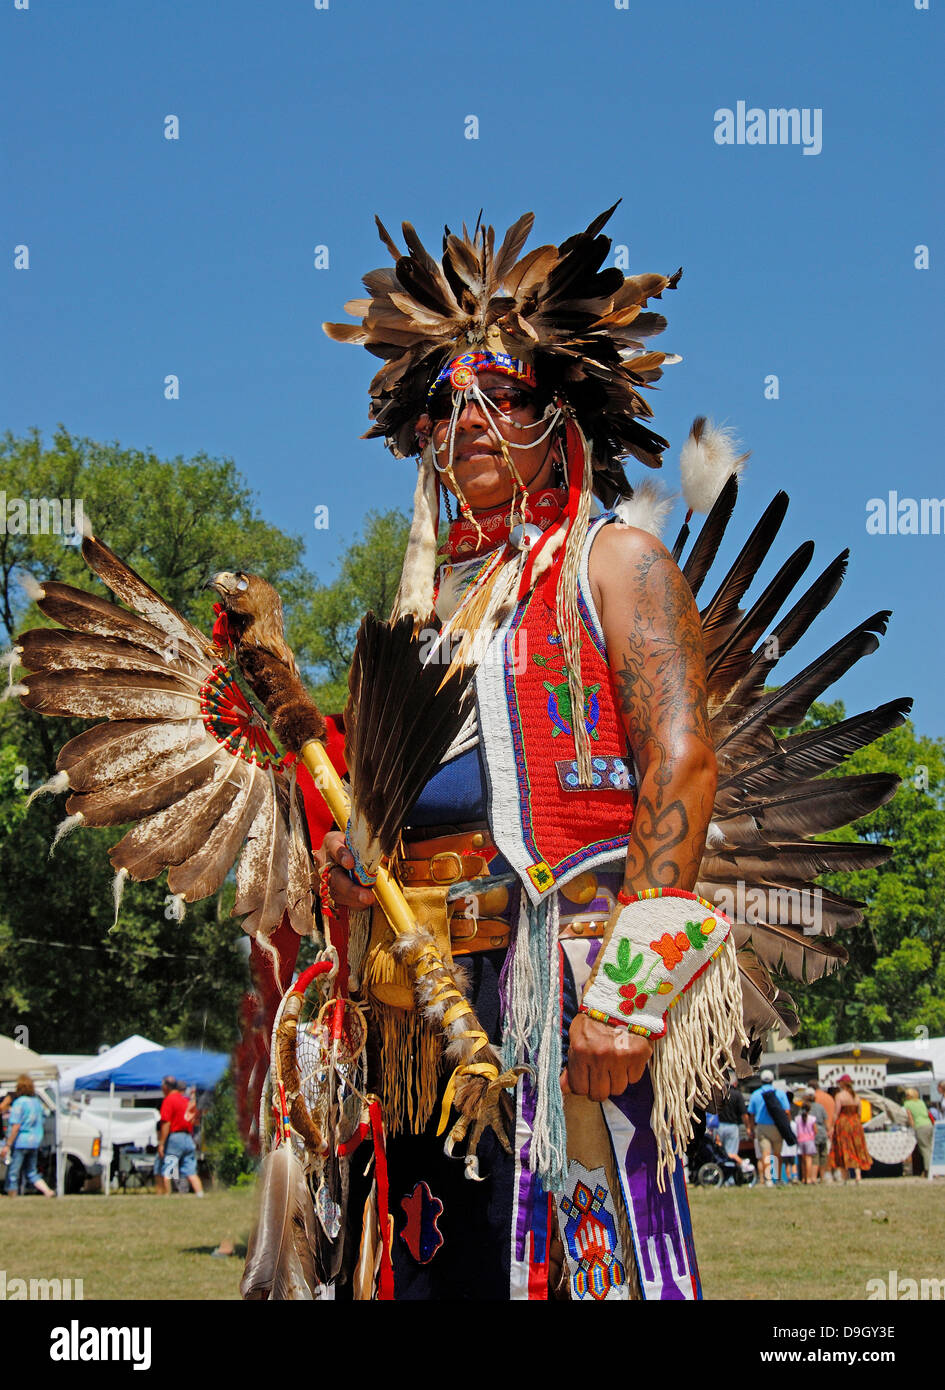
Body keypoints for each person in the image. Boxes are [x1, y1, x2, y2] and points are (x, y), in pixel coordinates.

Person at [299, 203, 905, 1301]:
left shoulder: (614, 564)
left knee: (576, 1264)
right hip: (424, 1004)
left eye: (504, 394)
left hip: (560, 985)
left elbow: (682, 762)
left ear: (563, 418)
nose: (471, 418)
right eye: (448, 402)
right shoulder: (425, 613)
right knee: (437, 1267)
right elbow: (402, 804)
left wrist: (628, 992)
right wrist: (354, 862)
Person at [0, 1074, 55, 1198]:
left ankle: (12, 1194)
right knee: (31, 1171)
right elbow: (44, 1118)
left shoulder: (19, 1103)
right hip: (35, 1141)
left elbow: (16, 1126)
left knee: (14, 1170)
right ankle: (47, 1191)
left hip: (21, 1141)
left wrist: (8, 1145)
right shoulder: (36, 1103)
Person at [156, 1077, 204, 1197]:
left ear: (166, 1087)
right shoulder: (185, 1100)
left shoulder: (169, 1100)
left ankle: (167, 1196)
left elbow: (166, 1123)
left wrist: (161, 1143)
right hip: (188, 1137)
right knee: (191, 1171)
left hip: (175, 1138)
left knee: (168, 1169)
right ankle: (200, 1194)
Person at [748, 1069, 791, 1185]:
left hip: (762, 1127)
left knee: (766, 1153)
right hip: (777, 1127)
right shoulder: (780, 1094)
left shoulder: (756, 1094)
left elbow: (751, 1114)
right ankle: (777, 1178)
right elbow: (787, 1111)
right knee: (777, 1154)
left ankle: (768, 1179)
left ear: (761, 1080)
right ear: (772, 1080)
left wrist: (751, 1128)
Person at [828, 1074, 871, 1183]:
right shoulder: (856, 1096)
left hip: (843, 1124)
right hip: (855, 1124)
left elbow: (836, 1113)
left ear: (842, 1084)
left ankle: (845, 1177)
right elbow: (859, 1113)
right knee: (857, 1148)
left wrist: (832, 1126)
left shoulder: (839, 1096)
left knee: (843, 1147)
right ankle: (858, 1175)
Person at [902, 1087, 934, 1176]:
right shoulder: (921, 1102)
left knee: (924, 1149)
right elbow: (927, 1113)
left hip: (920, 1126)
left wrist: (913, 1128)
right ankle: (935, 1168)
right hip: (929, 1124)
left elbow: (910, 1117)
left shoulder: (907, 1104)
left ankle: (928, 1170)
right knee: (930, 1147)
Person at [716, 1083, 748, 1159]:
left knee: (719, 1153)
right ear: (735, 1084)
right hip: (732, 1127)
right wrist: (748, 1127)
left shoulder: (718, 1093)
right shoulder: (737, 1094)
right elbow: (744, 1114)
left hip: (718, 1126)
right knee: (731, 1153)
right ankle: (739, 1164)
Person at [794, 1100, 818, 1184]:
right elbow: (815, 1130)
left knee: (802, 1160)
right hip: (809, 1140)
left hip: (800, 1140)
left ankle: (804, 1178)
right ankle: (809, 1178)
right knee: (809, 1159)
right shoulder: (812, 1118)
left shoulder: (797, 1118)